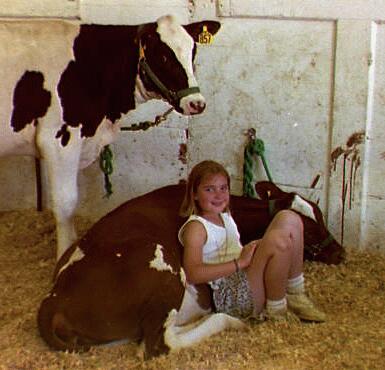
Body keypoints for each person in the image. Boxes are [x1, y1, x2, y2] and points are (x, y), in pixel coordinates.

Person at [178, 160, 326, 322]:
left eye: (223, 188)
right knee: (277, 240)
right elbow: (192, 274)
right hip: (230, 296)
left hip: (246, 277)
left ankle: (296, 294)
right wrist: (239, 263)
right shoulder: (196, 228)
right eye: (209, 189)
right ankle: (276, 311)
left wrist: (249, 251)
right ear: (194, 194)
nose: (218, 195)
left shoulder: (225, 216)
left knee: (289, 217)